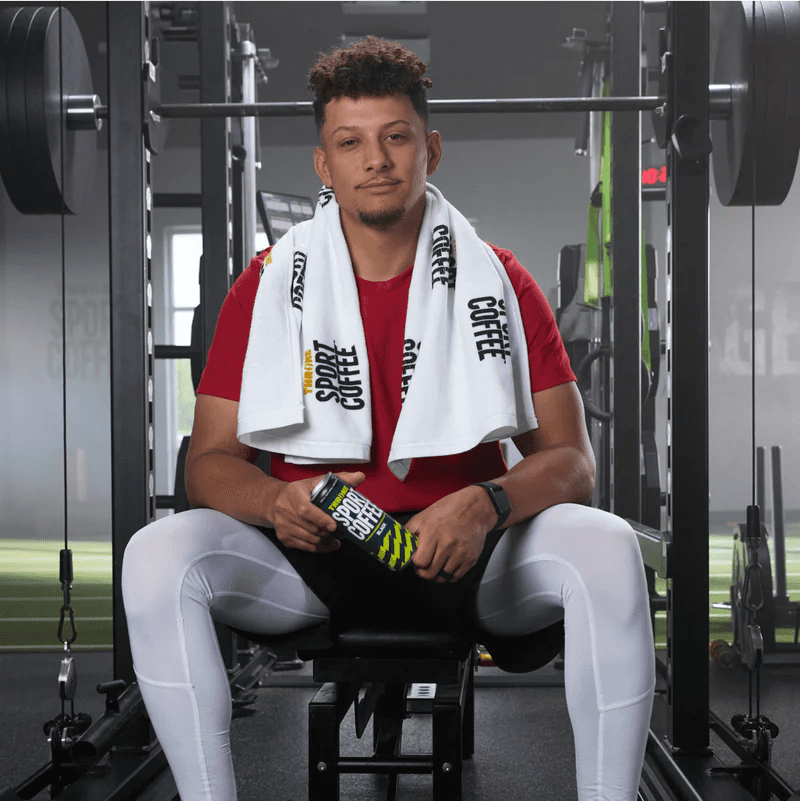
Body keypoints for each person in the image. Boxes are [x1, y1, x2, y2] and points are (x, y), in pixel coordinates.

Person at [122, 36, 655, 801]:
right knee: (155, 554)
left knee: (607, 546)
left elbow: (573, 462)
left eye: (396, 137)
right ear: (324, 163)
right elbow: (207, 467)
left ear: (429, 149)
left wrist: (487, 501)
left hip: (472, 556)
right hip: (315, 561)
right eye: (351, 142)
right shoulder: (266, 288)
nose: (375, 160)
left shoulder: (499, 280)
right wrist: (275, 501)